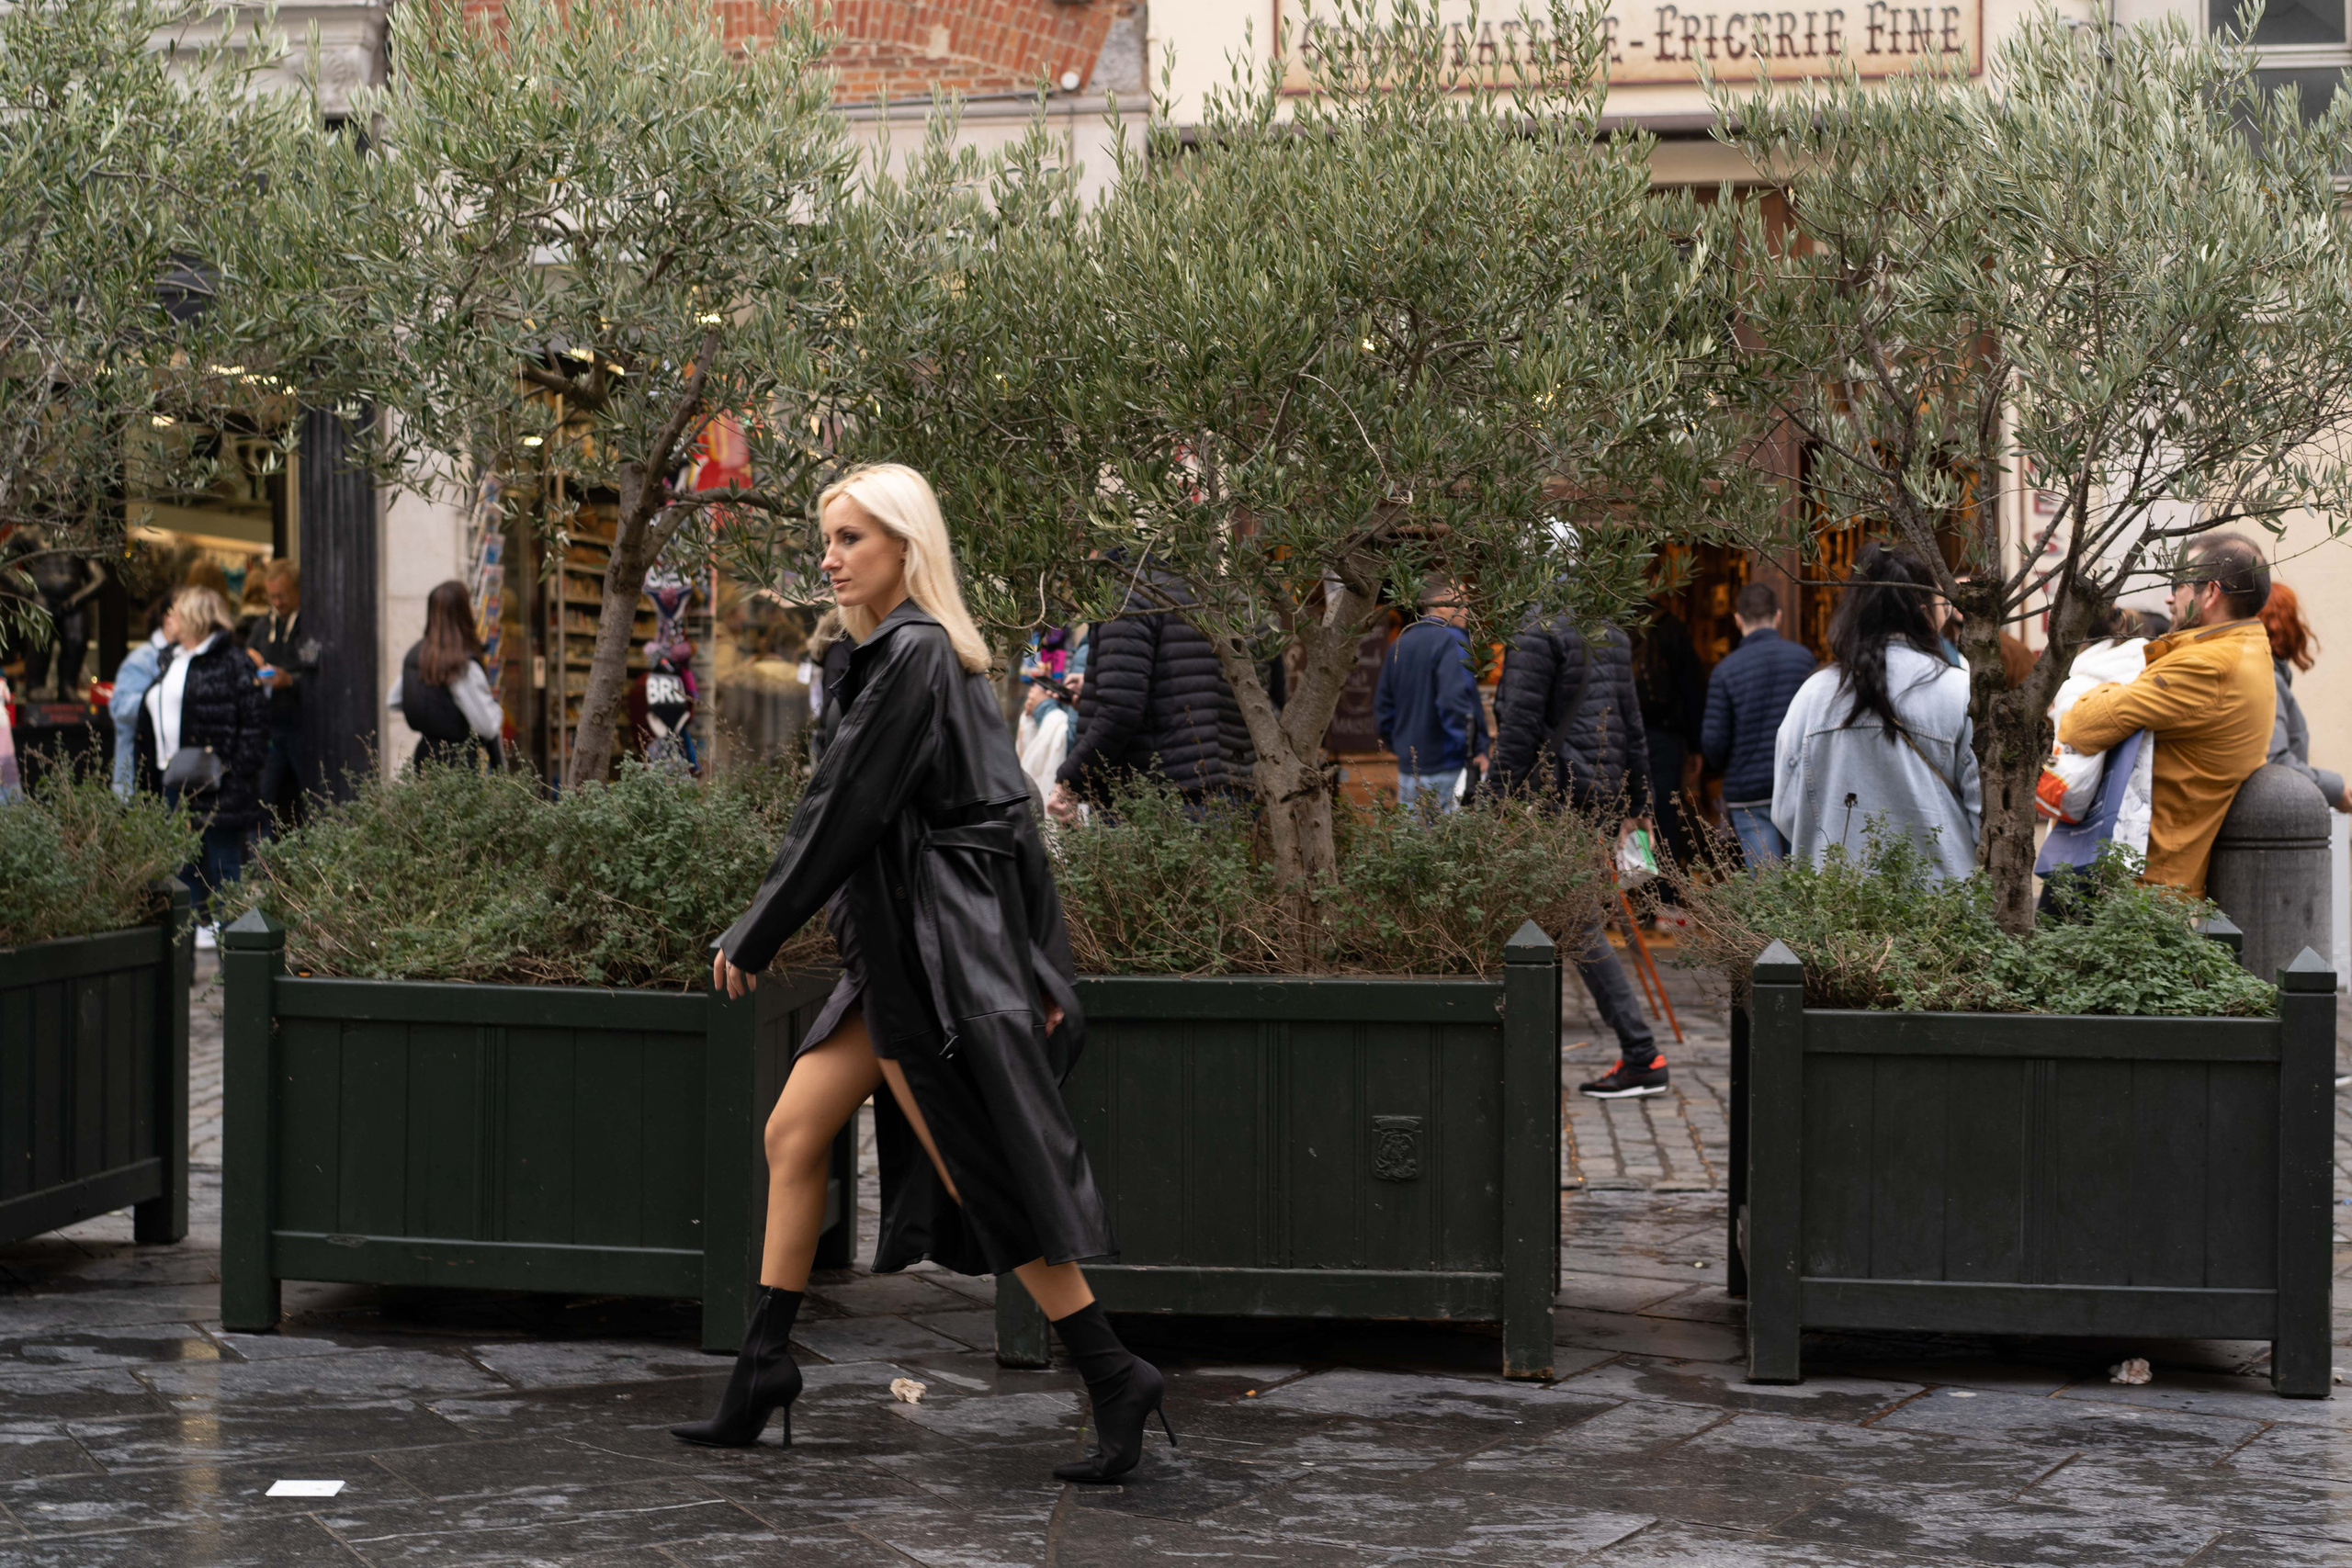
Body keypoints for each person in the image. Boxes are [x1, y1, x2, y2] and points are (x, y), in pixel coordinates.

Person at [685, 464, 1162, 1485]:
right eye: (829, 539)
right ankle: (763, 1367)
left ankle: (1112, 1371)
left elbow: (844, 808)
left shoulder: (914, 655)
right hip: (901, 951)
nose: (831, 557)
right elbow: (996, 824)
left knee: (972, 1169)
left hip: (925, 959)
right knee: (793, 1131)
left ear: (906, 547)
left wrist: (757, 930)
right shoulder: (901, 657)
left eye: (852, 538)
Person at [1487, 606, 1667, 1099]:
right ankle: (1635, 1052)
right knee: (1567, 922)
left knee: (1570, 923)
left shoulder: (1534, 630)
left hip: (1550, 797)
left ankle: (1640, 1052)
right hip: (1595, 795)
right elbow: (1631, 723)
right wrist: (1639, 803)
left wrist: (1486, 805)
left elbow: (1519, 730)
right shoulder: (1608, 627)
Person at [2060, 534, 2278, 896]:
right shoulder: (2244, 649)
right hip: (2151, 882)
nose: (2169, 597)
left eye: (2178, 585)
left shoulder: (2206, 665)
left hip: (2141, 890)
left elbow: (2079, 727)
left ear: (2210, 593)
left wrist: (2104, 688)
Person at [1772, 543, 1981, 883]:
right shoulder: (1959, 691)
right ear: (1926, 608)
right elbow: (1985, 818)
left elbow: (1785, 812)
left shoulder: (1812, 696)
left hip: (1833, 912)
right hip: (1941, 915)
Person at [134, 586, 269, 945]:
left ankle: (235, 966)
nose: (169, 619)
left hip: (216, 784)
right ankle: (183, 967)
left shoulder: (232, 661)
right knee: (181, 873)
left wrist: (235, 773)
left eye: (175, 612)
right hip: (171, 781)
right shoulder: (171, 658)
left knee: (224, 874)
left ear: (194, 617)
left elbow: (254, 724)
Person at [1047, 571, 1242, 820]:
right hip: (1195, 788)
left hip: (1144, 803)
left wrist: (1069, 779)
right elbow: (1166, 685)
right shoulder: (1187, 586)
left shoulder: (1123, 594)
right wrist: (1093, 691)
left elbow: (1119, 711)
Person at [1700, 581, 1817, 870]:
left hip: (1748, 790)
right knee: (1803, 879)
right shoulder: (1803, 660)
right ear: (1778, 616)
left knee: (1766, 887)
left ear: (1738, 619)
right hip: (1797, 785)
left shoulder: (1725, 671)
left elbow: (1713, 744)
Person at [1374, 577, 1490, 812]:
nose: (1468, 609)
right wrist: (1474, 749)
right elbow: (1454, 701)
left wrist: (1402, 747)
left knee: (1413, 845)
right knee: (1451, 843)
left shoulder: (1400, 643)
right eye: (1462, 601)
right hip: (1449, 766)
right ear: (1440, 603)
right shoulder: (1451, 640)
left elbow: (1382, 708)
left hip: (1409, 768)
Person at [387, 581, 503, 771]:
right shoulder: (461, 665)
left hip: (423, 762)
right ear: (463, 613)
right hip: (458, 768)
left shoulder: (416, 656)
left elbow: (394, 700)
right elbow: (488, 725)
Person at [2259, 582, 2348, 814]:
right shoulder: (2268, 677)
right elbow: (2275, 761)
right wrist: (2336, 790)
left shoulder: (2266, 674)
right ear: (2280, 625)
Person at [1632, 608, 1706, 884]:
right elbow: (1692, 689)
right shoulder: (1671, 627)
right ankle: (1664, 896)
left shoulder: (1613, 624)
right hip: (1666, 737)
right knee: (1665, 816)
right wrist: (1695, 745)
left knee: (1632, 813)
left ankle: (1633, 894)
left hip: (1625, 735)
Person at [244, 560, 316, 823]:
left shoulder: (311, 624)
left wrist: (290, 681)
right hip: (270, 725)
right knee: (263, 798)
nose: (277, 602)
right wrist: (250, 662)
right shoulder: (264, 626)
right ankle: (262, 860)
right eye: (272, 596)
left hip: (303, 726)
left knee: (313, 796)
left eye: (282, 595)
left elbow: (319, 674)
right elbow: (246, 660)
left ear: (298, 590)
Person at [109, 601, 175, 798]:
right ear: (168, 618)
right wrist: (159, 698)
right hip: (136, 784)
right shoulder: (142, 658)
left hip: (166, 781)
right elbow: (120, 710)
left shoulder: (185, 657)